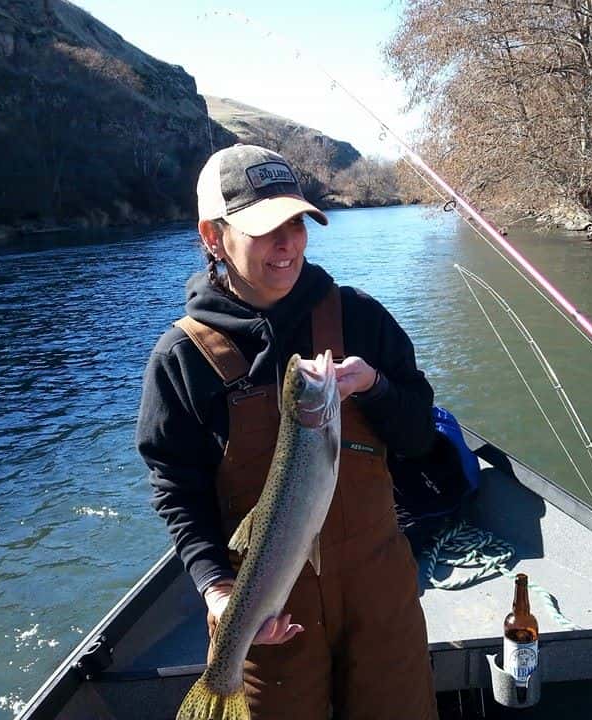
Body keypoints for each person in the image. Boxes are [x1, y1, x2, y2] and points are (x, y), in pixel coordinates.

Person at [136, 144, 439, 720]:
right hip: (267, 613)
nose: (288, 244)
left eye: (297, 223)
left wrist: (376, 387)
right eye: (265, 229)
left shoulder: (362, 318)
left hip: (380, 596)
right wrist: (216, 589)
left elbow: (420, 439)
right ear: (213, 236)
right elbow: (176, 488)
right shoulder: (182, 357)